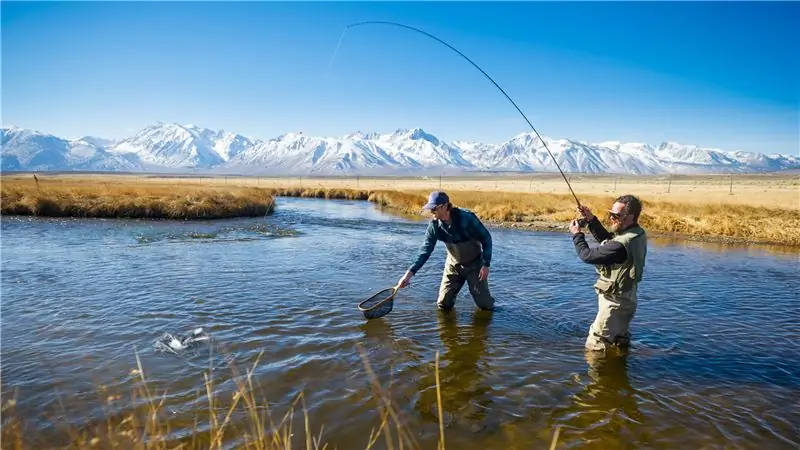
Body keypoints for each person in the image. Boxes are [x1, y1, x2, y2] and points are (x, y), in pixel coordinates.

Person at [570, 194, 648, 352]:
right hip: (628, 299)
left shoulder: (621, 244)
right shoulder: (637, 233)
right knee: (619, 341)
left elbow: (587, 256)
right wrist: (591, 219)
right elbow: (609, 241)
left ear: (630, 217)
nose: (611, 218)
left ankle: (597, 376)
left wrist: (577, 235)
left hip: (614, 304)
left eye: (616, 215)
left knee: (596, 346)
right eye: (610, 214)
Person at [397, 191, 495, 312]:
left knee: (485, 306)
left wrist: (486, 265)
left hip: (475, 265)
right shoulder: (434, 226)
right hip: (453, 265)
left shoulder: (466, 218)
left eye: (434, 208)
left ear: (444, 206)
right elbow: (425, 251)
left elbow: (486, 239)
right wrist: (408, 274)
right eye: (430, 208)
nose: (431, 212)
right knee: (443, 304)